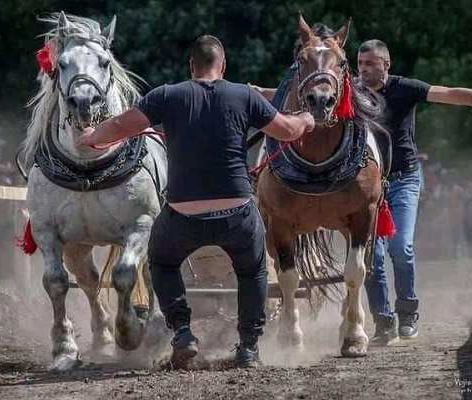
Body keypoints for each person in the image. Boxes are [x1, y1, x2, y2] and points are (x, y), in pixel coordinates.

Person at [78, 35, 315, 368]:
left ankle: (183, 332)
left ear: (191, 66)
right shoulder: (245, 95)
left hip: (184, 217)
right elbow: (288, 130)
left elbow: (119, 126)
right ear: (224, 66)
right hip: (238, 215)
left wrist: (90, 137)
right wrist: (306, 119)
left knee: (161, 260)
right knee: (254, 271)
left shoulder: (167, 96)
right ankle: (248, 347)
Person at [357, 39, 472, 345]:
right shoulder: (352, 92)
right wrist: (257, 94)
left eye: (370, 63)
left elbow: (448, 93)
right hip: (368, 185)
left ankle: (407, 313)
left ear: (386, 64)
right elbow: (306, 96)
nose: (363, 69)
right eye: (360, 63)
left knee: (400, 247)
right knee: (371, 256)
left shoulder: (405, 88)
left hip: (404, 179)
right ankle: (382, 321)